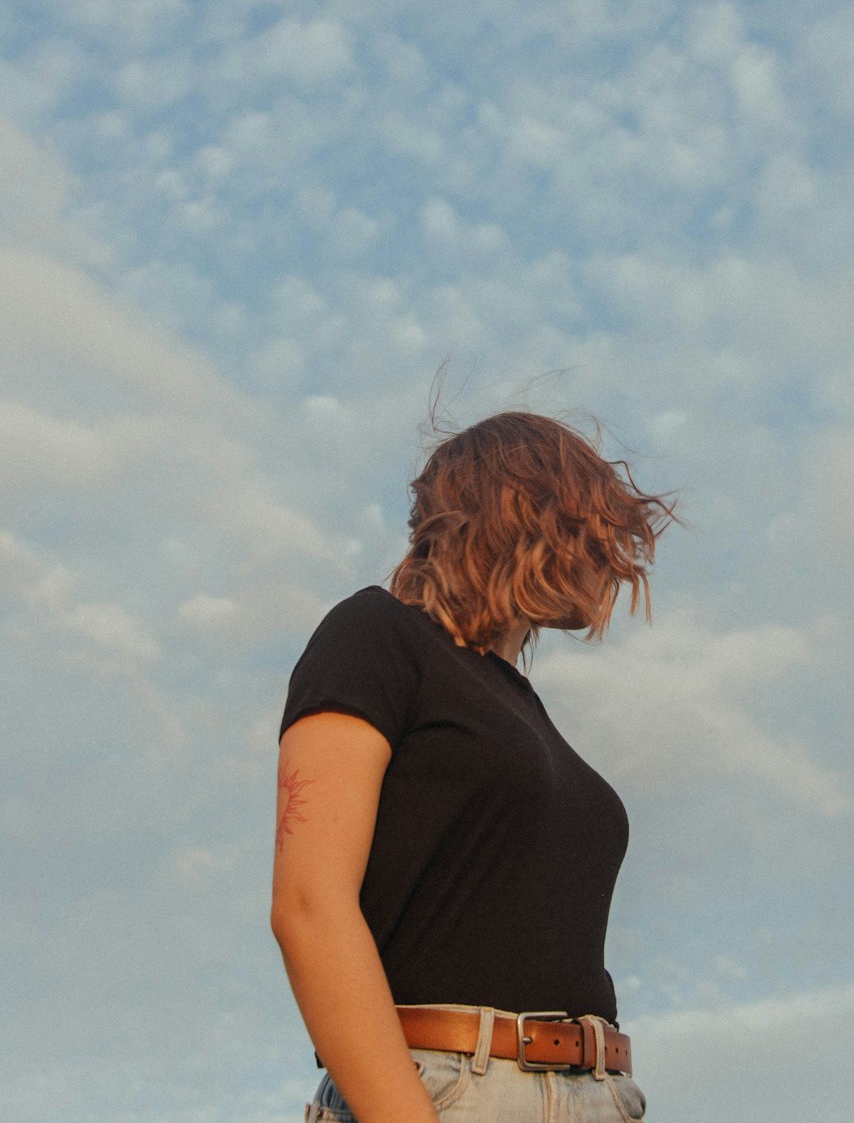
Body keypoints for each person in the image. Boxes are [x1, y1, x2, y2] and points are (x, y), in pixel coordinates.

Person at [271, 410, 674, 1123]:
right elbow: (308, 907)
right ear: (529, 513)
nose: (612, 551)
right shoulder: (375, 636)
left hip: (598, 1096)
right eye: (591, 522)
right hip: (457, 1092)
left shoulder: (517, 703)